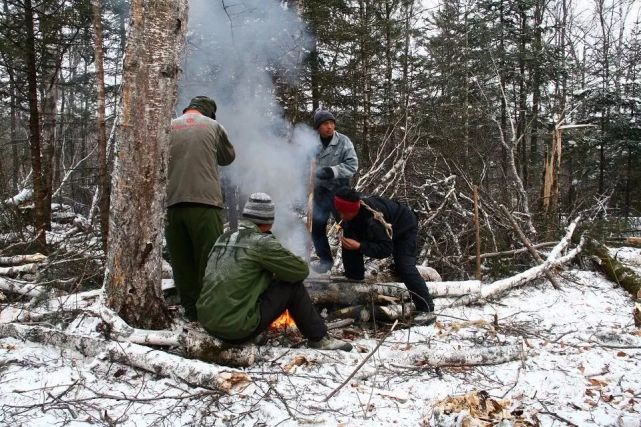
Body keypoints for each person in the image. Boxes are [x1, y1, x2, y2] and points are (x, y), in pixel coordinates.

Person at [197, 192, 353, 351]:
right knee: (293, 287)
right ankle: (319, 338)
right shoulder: (262, 242)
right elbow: (300, 271)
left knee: (256, 278)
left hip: (208, 324)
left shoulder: (224, 238)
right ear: (268, 222)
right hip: (236, 329)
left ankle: (250, 329)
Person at [166, 96, 236, 321]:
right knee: (209, 259)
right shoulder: (214, 126)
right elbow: (228, 158)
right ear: (209, 113)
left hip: (173, 204)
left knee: (181, 261)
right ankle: (211, 313)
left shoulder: (168, 126)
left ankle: (191, 311)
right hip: (206, 204)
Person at [333, 188, 436, 324]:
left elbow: (385, 250)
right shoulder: (347, 212)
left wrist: (360, 246)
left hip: (403, 227)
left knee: (404, 266)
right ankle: (354, 277)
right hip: (379, 225)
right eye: (338, 211)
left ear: (353, 210)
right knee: (348, 238)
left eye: (343, 212)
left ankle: (426, 309)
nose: (339, 215)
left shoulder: (373, 220)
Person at [310, 109, 358, 273]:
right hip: (319, 191)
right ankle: (325, 262)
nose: (329, 127)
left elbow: (352, 166)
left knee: (349, 227)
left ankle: (353, 267)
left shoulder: (343, 141)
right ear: (318, 127)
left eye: (331, 123)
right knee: (316, 228)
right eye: (325, 124)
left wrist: (332, 171)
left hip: (340, 192)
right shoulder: (311, 143)